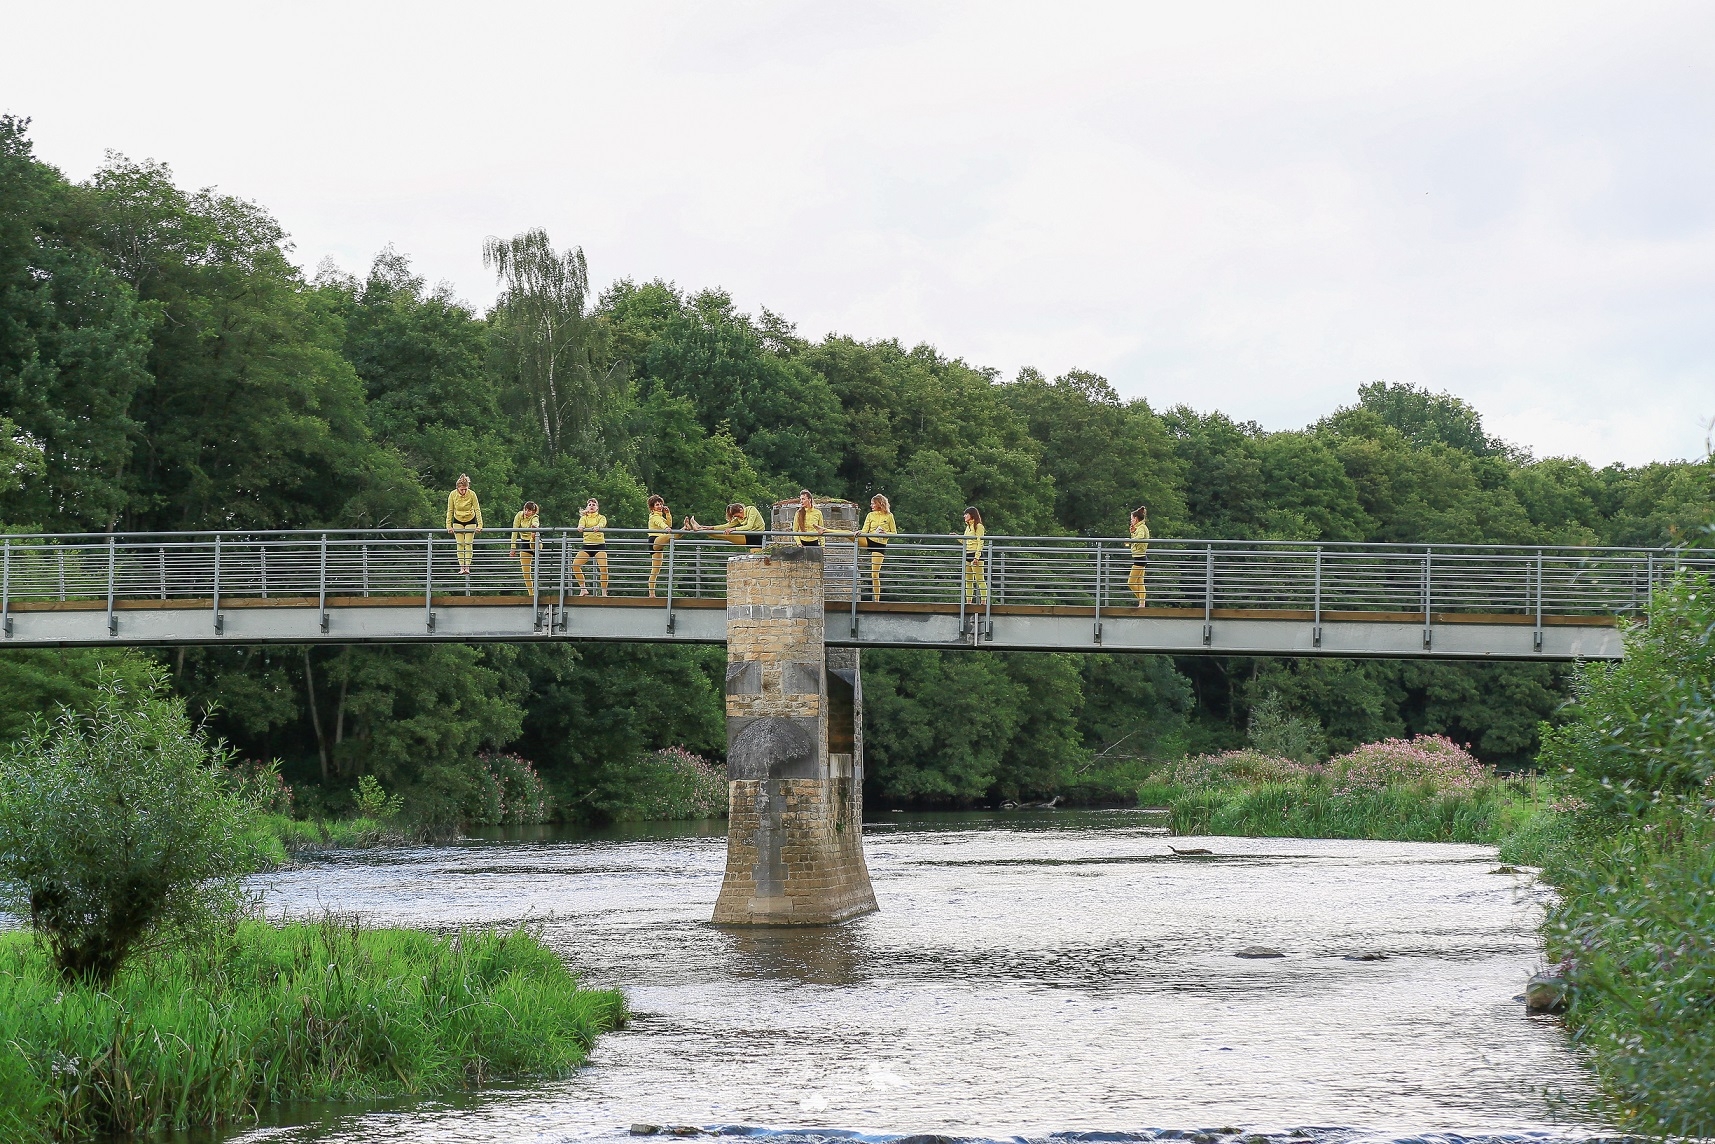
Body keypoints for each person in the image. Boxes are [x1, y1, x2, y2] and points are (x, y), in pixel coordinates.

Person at [859, 494, 896, 600]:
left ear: (880, 503)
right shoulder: (870, 515)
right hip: (869, 540)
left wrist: (886, 533)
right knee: (849, 534)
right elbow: (864, 530)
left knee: (874, 574)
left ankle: (876, 600)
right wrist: (859, 532)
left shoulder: (889, 516)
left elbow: (894, 533)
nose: (871, 505)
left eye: (873, 503)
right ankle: (827, 531)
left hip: (880, 544)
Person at [445, 474, 483, 575]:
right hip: (458, 519)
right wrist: (448, 525)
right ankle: (462, 567)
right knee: (460, 544)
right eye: (462, 489)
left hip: (470, 519)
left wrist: (480, 525)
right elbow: (450, 510)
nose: (464, 492)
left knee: (468, 543)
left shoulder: (472, 494)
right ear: (458, 488)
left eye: (465, 489)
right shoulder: (452, 495)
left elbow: (477, 509)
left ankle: (467, 567)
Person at [687, 502, 767, 547]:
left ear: (741, 510)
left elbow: (749, 526)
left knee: (724, 535)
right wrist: (710, 527)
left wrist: (733, 529)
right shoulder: (739, 517)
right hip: (749, 536)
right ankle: (699, 528)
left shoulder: (751, 510)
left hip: (757, 536)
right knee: (719, 534)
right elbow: (727, 525)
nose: (739, 518)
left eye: (738, 515)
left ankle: (699, 528)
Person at [572, 498, 608, 596]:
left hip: (599, 546)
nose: (591, 506)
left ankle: (604, 593)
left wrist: (598, 527)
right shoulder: (584, 518)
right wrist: (580, 527)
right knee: (575, 565)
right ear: (587, 507)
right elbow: (581, 524)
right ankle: (583, 589)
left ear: (597, 508)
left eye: (594, 504)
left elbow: (602, 523)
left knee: (604, 568)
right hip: (587, 546)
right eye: (589, 504)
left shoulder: (601, 517)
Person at [509, 501, 542, 593]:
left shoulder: (535, 517)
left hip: (536, 543)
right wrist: (513, 547)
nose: (527, 512)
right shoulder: (519, 515)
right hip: (525, 544)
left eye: (529, 511)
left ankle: (533, 536)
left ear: (533, 512)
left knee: (533, 538)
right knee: (526, 573)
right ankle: (531, 593)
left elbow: (536, 523)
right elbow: (514, 531)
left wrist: (534, 527)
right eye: (525, 510)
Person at [647, 495, 674, 597]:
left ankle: (652, 594)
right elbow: (661, 524)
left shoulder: (661, 516)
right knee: (670, 535)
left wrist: (668, 514)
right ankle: (683, 530)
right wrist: (666, 527)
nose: (659, 506)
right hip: (654, 540)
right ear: (652, 507)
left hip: (659, 542)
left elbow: (668, 524)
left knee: (656, 570)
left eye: (660, 504)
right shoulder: (654, 516)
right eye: (657, 504)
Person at [961, 506, 987, 604]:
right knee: (968, 580)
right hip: (967, 554)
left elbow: (980, 542)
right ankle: (969, 602)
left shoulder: (978, 526)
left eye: (966, 514)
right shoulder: (968, 527)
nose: (964, 516)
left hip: (976, 555)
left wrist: (977, 557)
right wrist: (957, 537)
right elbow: (966, 541)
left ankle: (984, 602)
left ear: (971, 515)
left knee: (980, 579)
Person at [1128, 504, 1150, 607]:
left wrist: (1132, 538)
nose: (1131, 521)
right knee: (1140, 582)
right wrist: (1133, 532)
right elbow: (1137, 538)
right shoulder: (1140, 527)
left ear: (1136, 519)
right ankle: (1142, 603)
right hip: (1140, 557)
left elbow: (1140, 538)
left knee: (1131, 582)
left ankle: (1142, 602)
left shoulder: (1141, 528)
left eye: (1132, 519)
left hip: (1140, 558)